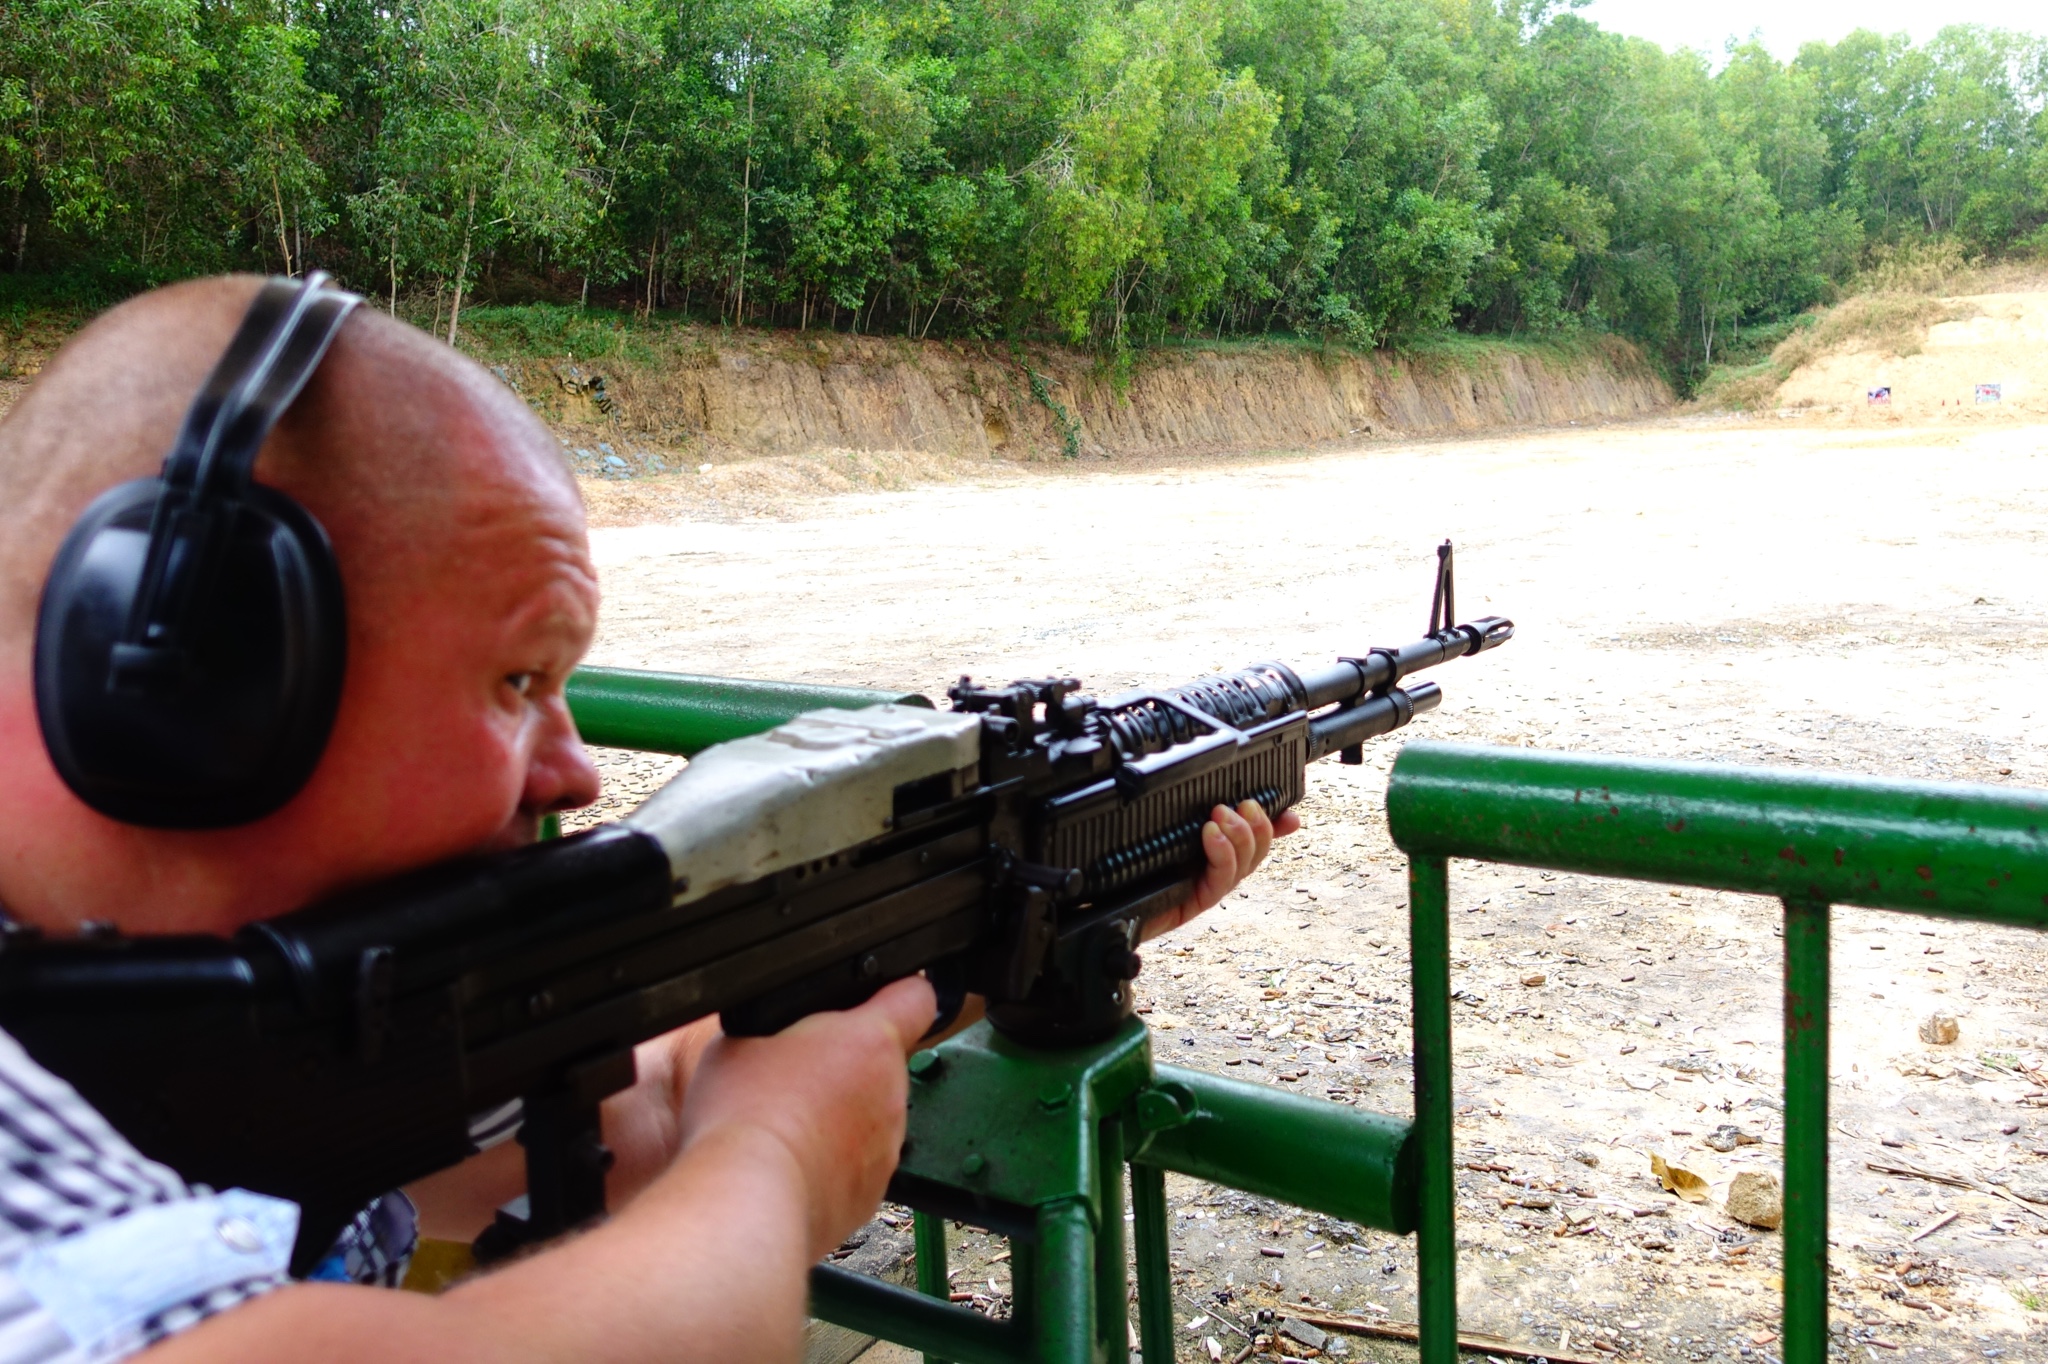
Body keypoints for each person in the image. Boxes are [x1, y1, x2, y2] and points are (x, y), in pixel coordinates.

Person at [0, 276, 1293, 1363]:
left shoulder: (255, 1030)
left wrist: (1046, 909)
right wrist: (775, 1167)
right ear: (178, 681)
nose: (570, 770)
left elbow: (655, 1088)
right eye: (519, 682)